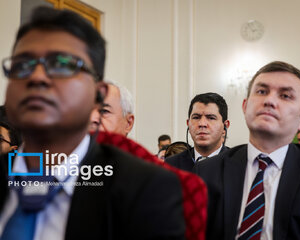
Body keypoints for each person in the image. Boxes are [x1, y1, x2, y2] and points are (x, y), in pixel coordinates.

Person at [0, 6, 185, 240]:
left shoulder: (147, 190)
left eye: (61, 65)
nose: (36, 77)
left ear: (98, 94)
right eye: (22, 65)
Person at [195, 61, 300, 240]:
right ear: (245, 107)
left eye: (285, 95)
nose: (269, 100)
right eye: (261, 91)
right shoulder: (207, 171)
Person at [166, 92, 230, 172]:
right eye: (196, 117)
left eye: (211, 118)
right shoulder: (171, 165)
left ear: (225, 126)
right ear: (188, 124)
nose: (202, 124)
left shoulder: (238, 164)